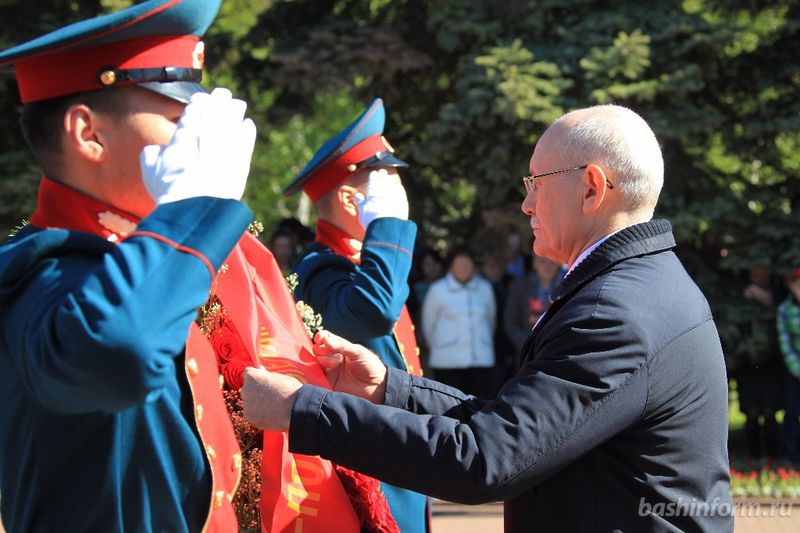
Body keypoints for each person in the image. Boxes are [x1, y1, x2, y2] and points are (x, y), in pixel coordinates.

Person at [242, 103, 733, 531]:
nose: (526, 203)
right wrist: (390, 390)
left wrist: (303, 410)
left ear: (591, 188)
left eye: (536, 183)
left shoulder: (615, 311)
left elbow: (484, 458)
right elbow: (516, 425)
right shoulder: (641, 285)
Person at [0, 1, 256, 530]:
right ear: (88, 133)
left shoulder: (147, 266)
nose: (197, 143)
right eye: (176, 121)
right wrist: (195, 209)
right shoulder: (38, 274)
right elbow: (118, 349)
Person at [282, 98, 428, 532]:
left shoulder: (363, 266)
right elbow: (375, 312)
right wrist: (386, 225)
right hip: (366, 478)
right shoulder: (319, 272)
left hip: (401, 461)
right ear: (351, 199)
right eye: (385, 187)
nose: (398, 200)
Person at [421, 246, 496, 397]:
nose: (463, 268)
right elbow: (428, 323)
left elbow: (491, 320)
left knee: (480, 406)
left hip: (481, 360)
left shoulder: (485, 288)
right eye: (459, 264)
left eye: (467, 264)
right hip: (447, 362)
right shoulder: (438, 289)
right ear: (451, 266)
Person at [735, 265, 782, 460]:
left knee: (770, 414)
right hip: (748, 365)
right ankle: (754, 458)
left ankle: (772, 458)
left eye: (763, 273)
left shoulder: (778, 295)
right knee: (752, 414)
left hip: (771, 364)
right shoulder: (739, 295)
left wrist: (762, 296)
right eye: (755, 272)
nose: (759, 276)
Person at [504, 253, 567, 354]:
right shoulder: (519, 287)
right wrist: (530, 347)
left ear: (558, 264)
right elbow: (510, 323)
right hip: (529, 356)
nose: (547, 266)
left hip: (560, 352)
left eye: (552, 261)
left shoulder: (567, 286)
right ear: (534, 263)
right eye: (542, 261)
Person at [777, 268, 800, 463]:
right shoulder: (785, 310)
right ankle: (788, 457)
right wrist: (797, 370)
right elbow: (785, 343)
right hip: (795, 371)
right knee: (792, 413)